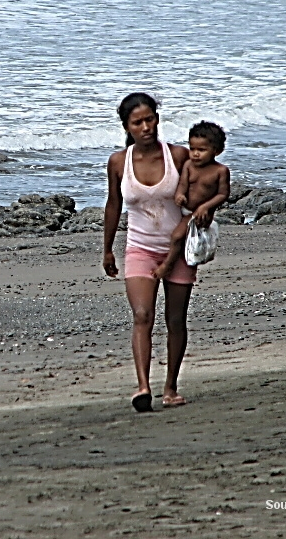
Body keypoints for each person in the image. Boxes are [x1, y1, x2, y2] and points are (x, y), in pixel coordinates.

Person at [103, 93, 203, 413]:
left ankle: (171, 388)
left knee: (176, 320)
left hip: (179, 251)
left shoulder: (179, 156)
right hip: (140, 248)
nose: (146, 127)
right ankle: (143, 386)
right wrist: (107, 249)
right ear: (127, 127)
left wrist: (184, 225)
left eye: (150, 119)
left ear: (157, 119)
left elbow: (199, 200)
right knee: (142, 315)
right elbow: (114, 205)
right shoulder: (120, 162)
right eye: (137, 123)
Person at [151, 121, 230, 280]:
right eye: (192, 148)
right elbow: (182, 184)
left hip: (199, 213)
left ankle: (168, 265)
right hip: (184, 209)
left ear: (217, 151)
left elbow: (223, 194)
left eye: (201, 150)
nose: (195, 154)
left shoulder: (220, 171)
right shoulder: (189, 165)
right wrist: (179, 195)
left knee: (178, 236)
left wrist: (205, 207)